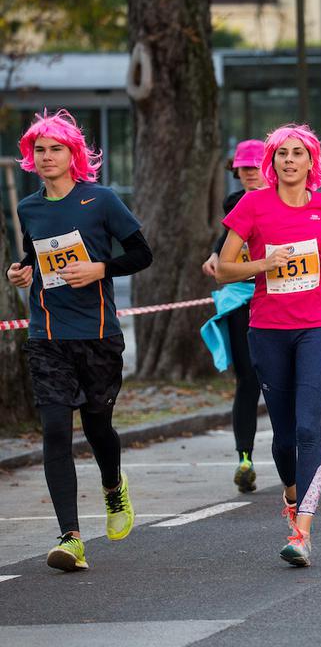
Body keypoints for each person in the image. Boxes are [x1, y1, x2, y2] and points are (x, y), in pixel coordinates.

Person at [7, 110, 153, 571]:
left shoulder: (102, 200)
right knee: (54, 430)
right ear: (31, 158)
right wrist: (18, 270)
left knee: (96, 427)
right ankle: (70, 537)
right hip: (47, 336)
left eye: (56, 149)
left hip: (98, 335)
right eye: (39, 150)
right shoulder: (28, 207)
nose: (47, 157)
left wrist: (100, 268)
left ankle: (113, 487)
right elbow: (33, 255)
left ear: (74, 155)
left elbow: (141, 254)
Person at [216, 124, 321, 565]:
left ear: (313, 162)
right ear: (271, 163)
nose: (289, 161)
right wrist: (264, 263)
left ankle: (302, 531)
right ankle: (291, 498)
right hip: (268, 328)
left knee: (310, 427)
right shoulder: (253, 205)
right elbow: (223, 269)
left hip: (319, 325)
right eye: (281, 154)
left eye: (298, 153)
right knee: (284, 436)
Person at [200, 139, 266, 492]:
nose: (250, 173)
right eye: (244, 168)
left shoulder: (287, 201)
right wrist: (214, 256)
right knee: (247, 380)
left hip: (280, 301)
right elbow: (226, 238)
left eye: (255, 166)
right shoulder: (236, 204)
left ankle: (294, 455)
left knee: (281, 383)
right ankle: (245, 458)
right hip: (241, 301)